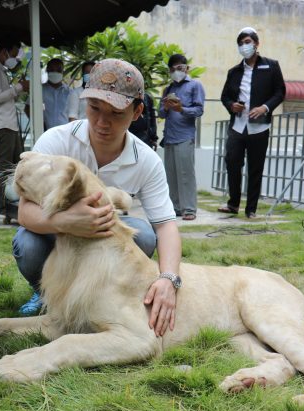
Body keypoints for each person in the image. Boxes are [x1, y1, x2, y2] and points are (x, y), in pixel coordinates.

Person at [13, 59, 182, 337]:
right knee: (26, 242)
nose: (102, 122)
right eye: (94, 108)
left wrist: (168, 279)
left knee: (143, 235)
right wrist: (68, 221)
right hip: (57, 235)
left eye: (116, 113)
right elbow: (25, 213)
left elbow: (166, 225)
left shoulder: (147, 160)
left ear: (137, 111)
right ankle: (44, 293)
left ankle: (107, 293)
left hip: (104, 241)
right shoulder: (56, 140)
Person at [219, 27, 285, 218]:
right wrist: (232, 105)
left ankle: (251, 209)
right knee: (232, 163)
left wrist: (265, 107)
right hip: (237, 126)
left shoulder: (271, 66)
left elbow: (280, 92)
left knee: (255, 167)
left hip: (260, 126)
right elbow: (224, 97)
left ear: (257, 44)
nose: (244, 46)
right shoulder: (234, 72)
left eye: (247, 42)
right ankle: (233, 204)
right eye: (240, 43)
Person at [157, 54, 205, 221]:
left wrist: (181, 109)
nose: (176, 71)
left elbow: (199, 110)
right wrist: (166, 106)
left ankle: (190, 209)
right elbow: (160, 114)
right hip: (169, 137)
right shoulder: (167, 89)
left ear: (186, 68)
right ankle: (175, 208)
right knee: (171, 175)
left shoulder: (195, 86)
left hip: (185, 136)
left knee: (186, 174)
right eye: (173, 69)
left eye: (180, 68)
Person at [0, 39, 29, 215]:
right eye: (14, 54)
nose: (16, 59)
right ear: (4, 52)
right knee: (4, 167)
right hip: (2, 125)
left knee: (17, 166)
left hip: (8, 124)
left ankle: (13, 202)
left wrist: (17, 88)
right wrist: (18, 87)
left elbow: (4, 97)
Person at [41, 57, 70, 131]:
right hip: (46, 133)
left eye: (58, 70)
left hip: (66, 132)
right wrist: (40, 124)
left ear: (63, 72)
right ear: (47, 70)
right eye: (52, 70)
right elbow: (28, 107)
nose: (55, 72)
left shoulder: (69, 92)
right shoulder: (40, 90)